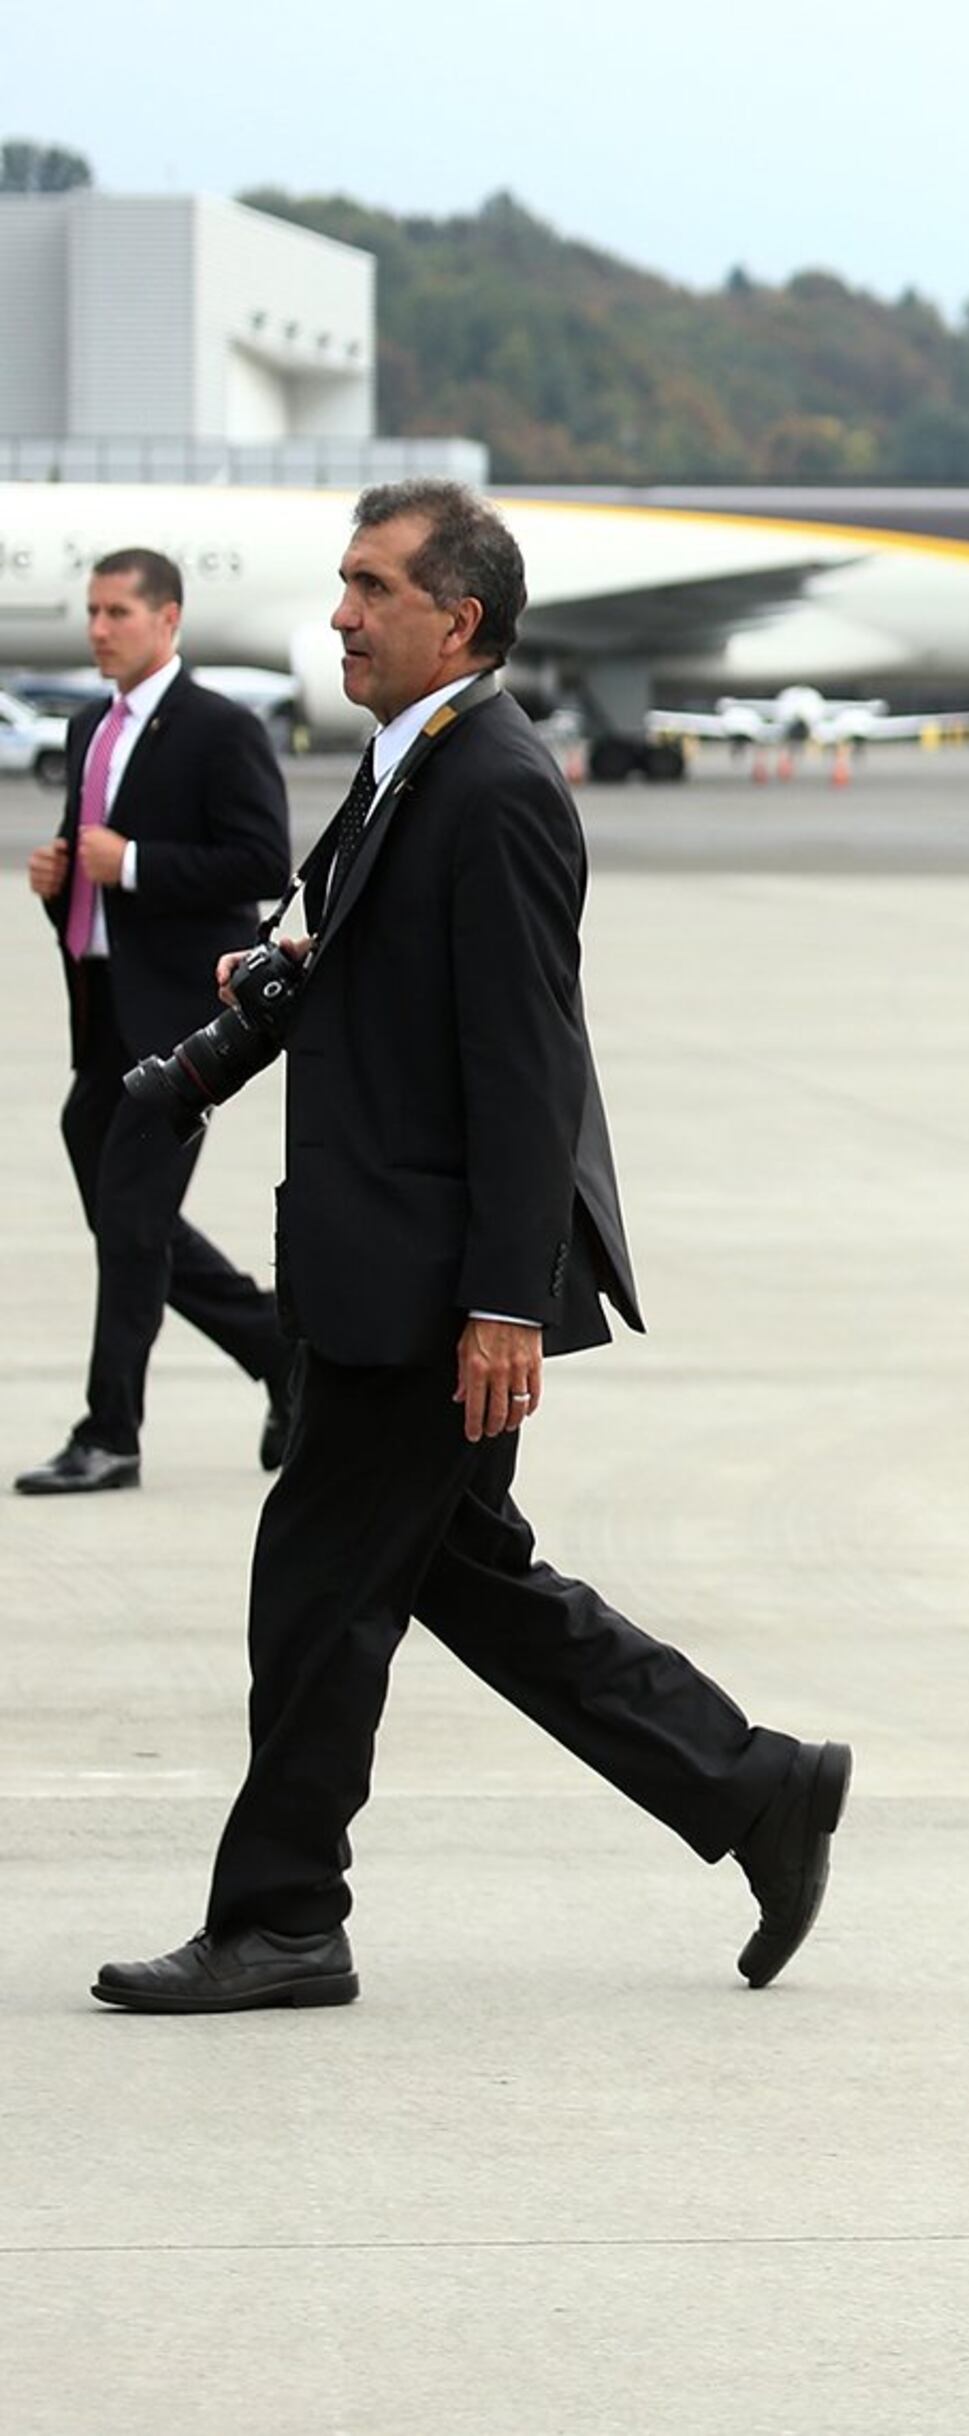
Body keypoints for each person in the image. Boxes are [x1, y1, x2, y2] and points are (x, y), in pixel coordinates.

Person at [92, 482, 846, 2015]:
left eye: (372, 587)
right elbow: (359, 973)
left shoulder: (491, 784)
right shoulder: (404, 764)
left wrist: (505, 1302)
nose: (340, 615)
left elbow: (526, 1065)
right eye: (344, 583)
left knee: (317, 1593)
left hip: (436, 1286)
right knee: (464, 1581)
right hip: (382, 1260)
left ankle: (285, 1919)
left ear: (463, 620)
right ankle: (753, 1786)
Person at [18, 549, 299, 1496]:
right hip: (104, 1011)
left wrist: (132, 862)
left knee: (133, 1225)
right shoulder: (90, 722)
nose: (98, 629)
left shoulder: (219, 730)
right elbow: (92, 868)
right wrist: (62, 882)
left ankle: (111, 1435)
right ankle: (278, 1354)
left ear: (168, 621)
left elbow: (263, 861)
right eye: (92, 613)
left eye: (118, 613)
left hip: (178, 1021)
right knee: (133, 1222)